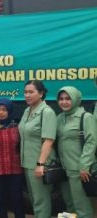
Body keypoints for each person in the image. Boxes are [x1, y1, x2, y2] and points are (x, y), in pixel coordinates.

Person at [18, 80, 57, 218]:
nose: (27, 95)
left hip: (39, 163)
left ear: (41, 94)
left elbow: (49, 139)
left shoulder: (47, 112)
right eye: (25, 92)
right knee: (34, 199)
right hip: (27, 163)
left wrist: (40, 164)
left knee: (41, 200)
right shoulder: (27, 110)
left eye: (31, 92)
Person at [56, 86, 96, 217]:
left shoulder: (86, 117)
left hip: (79, 170)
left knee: (82, 206)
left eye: (68, 98)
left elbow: (91, 142)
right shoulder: (60, 118)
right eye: (61, 99)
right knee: (69, 205)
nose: (64, 102)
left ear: (76, 99)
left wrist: (84, 166)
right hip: (64, 169)